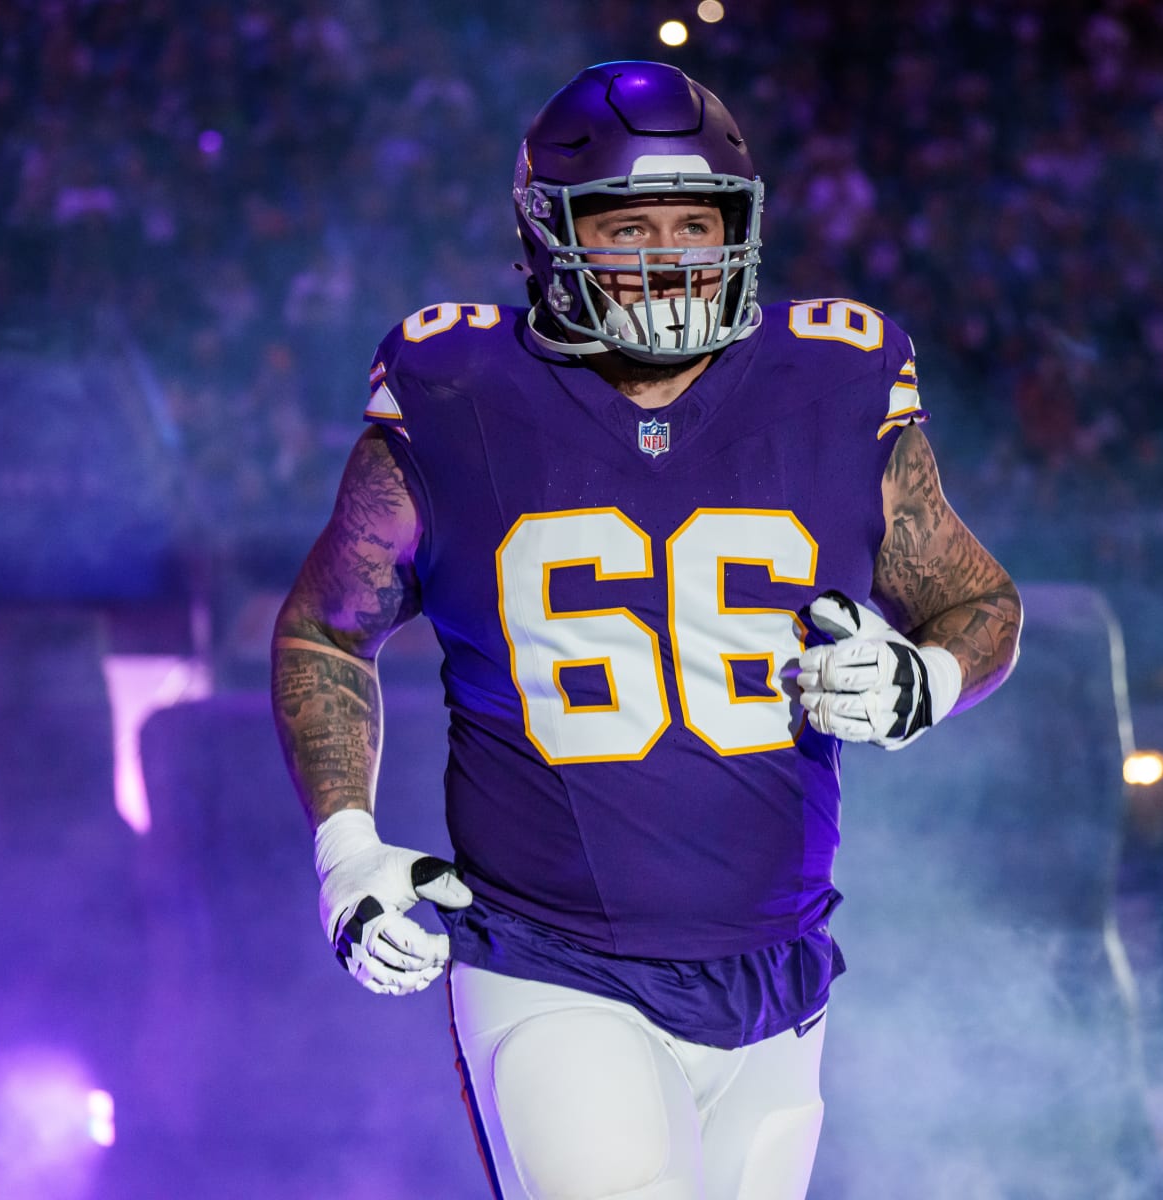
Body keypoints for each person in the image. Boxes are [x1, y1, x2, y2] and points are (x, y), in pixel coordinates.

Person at [272, 61, 1022, 1200]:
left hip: (780, 973)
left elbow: (982, 604)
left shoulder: (833, 379)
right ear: (549, 235)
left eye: (696, 221)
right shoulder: (458, 389)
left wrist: (927, 675)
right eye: (628, 226)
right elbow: (328, 631)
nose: (670, 254)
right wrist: (346, 850)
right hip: (551, 961)